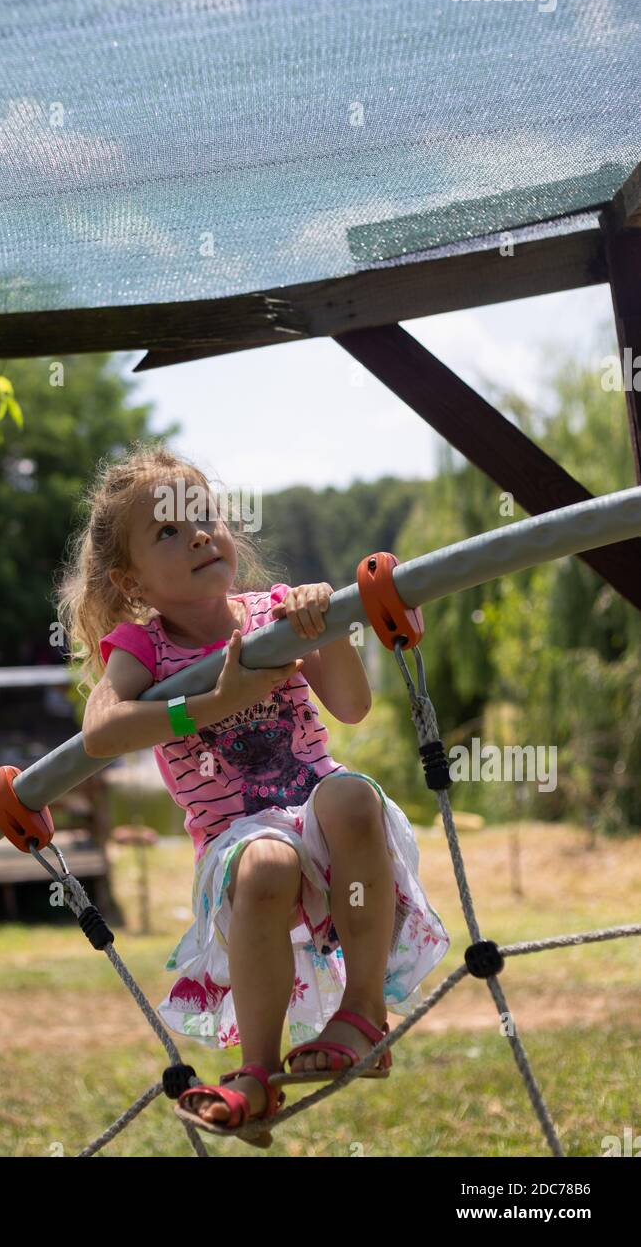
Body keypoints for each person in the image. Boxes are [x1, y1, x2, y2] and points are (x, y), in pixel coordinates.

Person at [54, 442, 450, 1145]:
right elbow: (101, 732)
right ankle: (256, 1073)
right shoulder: (141, 647)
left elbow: (352, 708)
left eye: (204, 515)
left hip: (318, 810)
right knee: (267, 864)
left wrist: (323, 629)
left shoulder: (273, 611)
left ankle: (363, 1014)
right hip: (239, 839)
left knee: (353, 798)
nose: (199, 533)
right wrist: (213, 700)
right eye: (168, 531)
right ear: (132, 579)